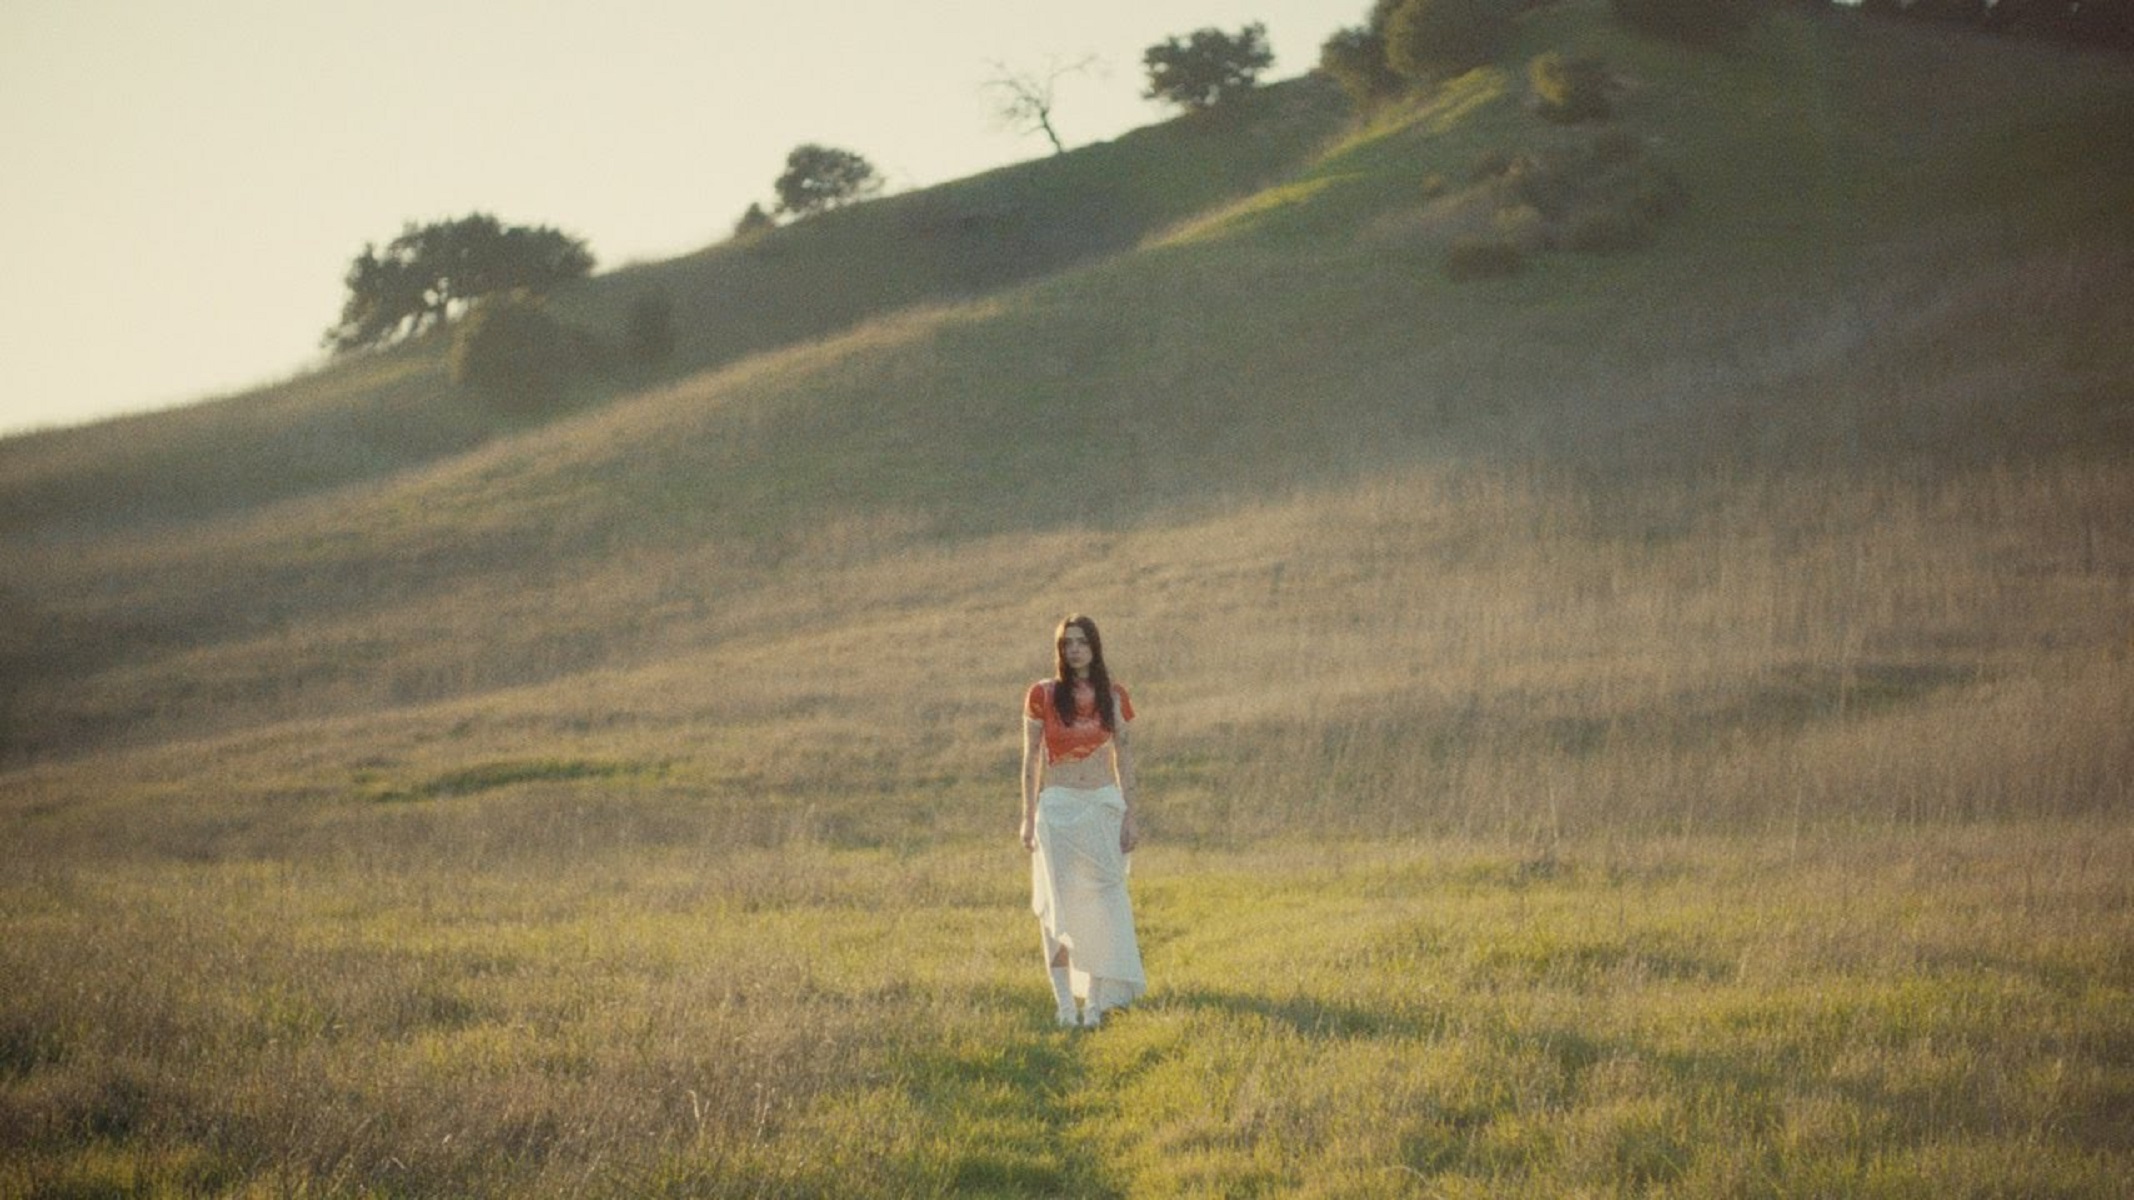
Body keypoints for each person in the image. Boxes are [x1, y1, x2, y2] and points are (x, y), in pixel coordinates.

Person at [1021, 614, 1146, 1028]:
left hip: (1102, 807)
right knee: (1057, 906)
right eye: (1066, 643)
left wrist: (1130, 814)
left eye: (1080, 642)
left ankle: (1093, 1004)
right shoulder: (1042, 694)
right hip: (1056, 809)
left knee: (1099, 909)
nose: (1073, 649)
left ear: (1094, 645)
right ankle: (1064, 1007)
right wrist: (1027, 817)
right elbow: (1031, 759)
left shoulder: (1113, 695)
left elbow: (1123, 756)